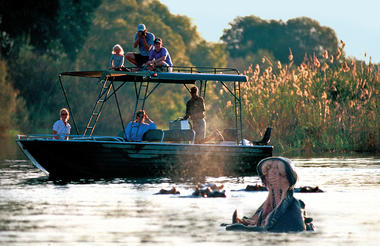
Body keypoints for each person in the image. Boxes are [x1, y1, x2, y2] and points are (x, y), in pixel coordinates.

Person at [225, 157, 314, 232]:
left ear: (289, 180)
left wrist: (245, 229)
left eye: (280, 174)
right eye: (267, 173)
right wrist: (247, 223)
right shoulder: (269, 204)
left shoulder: (292, 206)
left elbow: (278, 229)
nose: (271, 176)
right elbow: (262, 222)